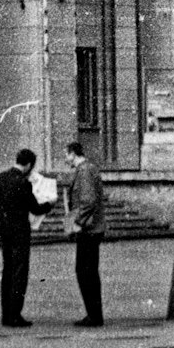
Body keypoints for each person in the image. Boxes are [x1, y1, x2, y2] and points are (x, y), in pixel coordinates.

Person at [60, 140, 105, 327]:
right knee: (88, 272)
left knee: (85, 272)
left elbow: (88, 201)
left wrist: (76, 223)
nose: (65, 159)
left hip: (88, 229)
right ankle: (94, 314)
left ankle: (94, 316)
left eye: (66, 155)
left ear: (73, 154)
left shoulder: (85, 171)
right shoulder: (87, 169)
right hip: (92, 228)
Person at [0, 147, 39, 327]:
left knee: (7, 271)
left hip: (5, 231)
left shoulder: (1, 178)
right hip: (20, 232)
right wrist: (49, 204)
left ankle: (6, 315)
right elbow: (35, 208)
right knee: (19, 273)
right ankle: (15, 314)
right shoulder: (23, 182)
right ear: (28, 165)